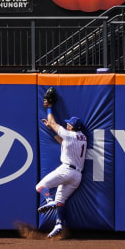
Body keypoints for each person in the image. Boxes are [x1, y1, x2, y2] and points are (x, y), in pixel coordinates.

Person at [35, 99, 87, 238]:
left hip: (66, 171)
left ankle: (47, 200)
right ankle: (58, 224)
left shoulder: (69, 134)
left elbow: (52, 122)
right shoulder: (83, 137)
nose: (67, 125)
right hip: (77, 177)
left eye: (68, 124)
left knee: (40, 186)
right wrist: (51, 130)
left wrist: (49, 108)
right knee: (60, 200)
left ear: (71, 127)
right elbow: (63, 142)